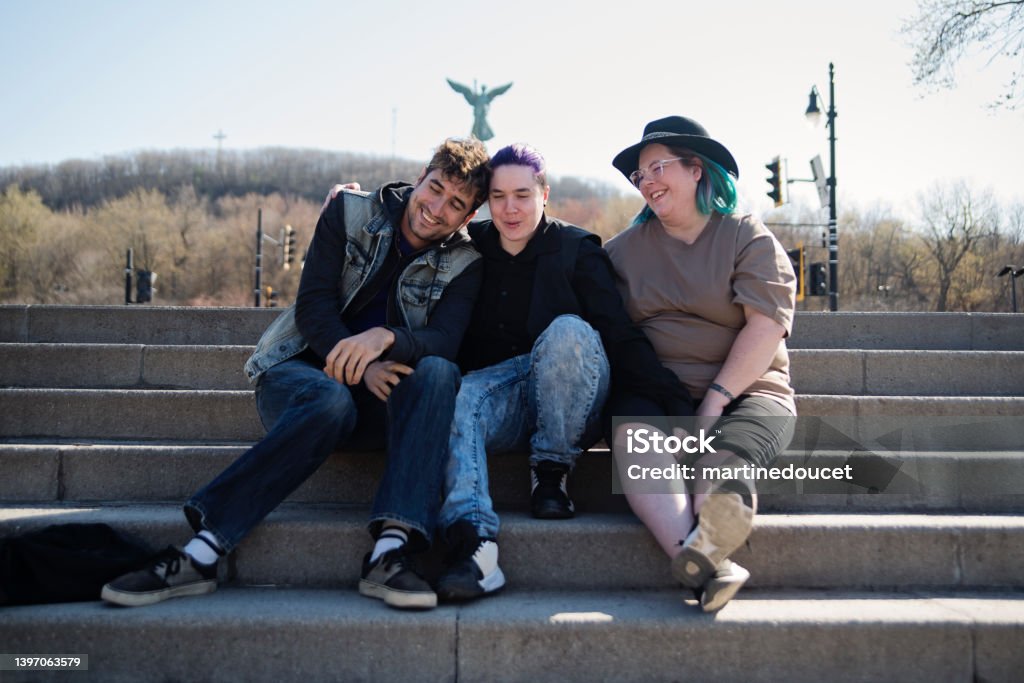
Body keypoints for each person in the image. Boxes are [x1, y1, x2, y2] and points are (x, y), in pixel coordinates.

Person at [101, 137, 491, 611]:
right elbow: (313, 307)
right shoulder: (348, 212)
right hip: (298, 379)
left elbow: (445, 339)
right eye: (435, 189)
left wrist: (384, 339)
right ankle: (201, 553)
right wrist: (360, 365)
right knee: (331, 399)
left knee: (438, 372)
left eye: (456, 204)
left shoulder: (466, 263)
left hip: (381, 406)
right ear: (421, 177)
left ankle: (391, 550)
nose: (437, 209)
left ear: (469, 217)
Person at [431, 143, 695, 603]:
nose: (510, 208)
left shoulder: (577, 249)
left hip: (574, 401)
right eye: (497, 197)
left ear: (544, 194)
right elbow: (418, 219)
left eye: (522, 195)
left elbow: (618, 334)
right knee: (465, 394)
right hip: (500, 401)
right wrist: (356, 201)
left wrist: (677, 409)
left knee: (570, 331)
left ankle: (551, 472)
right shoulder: (468, 248)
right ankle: (474, 544)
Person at [606, 116, 797, 612]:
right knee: (633, 437)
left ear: (697, 170)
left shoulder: (746, 236)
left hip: (749, 392)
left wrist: (716, 400)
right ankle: (705, 565)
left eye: (658, 167)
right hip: (659, 392)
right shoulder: (621, 253)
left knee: (722, 461)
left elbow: (766, 325)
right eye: (639, 175)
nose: (646, 181)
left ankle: (713, 527)